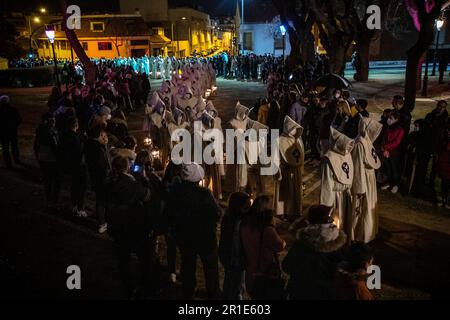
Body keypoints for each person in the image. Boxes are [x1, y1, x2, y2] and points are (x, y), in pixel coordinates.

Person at [167, 163, 222, 299]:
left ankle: (188, 291)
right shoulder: (204, 194)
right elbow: (217, 213)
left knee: (188, 266)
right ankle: (213, 293)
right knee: (210, 268)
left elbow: (170, 214)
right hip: (205, 237)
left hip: (185, 237)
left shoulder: (175, 192)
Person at [104, 156, 153, 298]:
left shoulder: (108, 182)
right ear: (127, 167)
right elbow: (147, 196)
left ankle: (128, 288)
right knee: (145, 258)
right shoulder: (131, 183)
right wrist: (143, 180)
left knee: (123, 260)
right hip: (133, 226)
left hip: (117, 227)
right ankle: (146, 288)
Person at [282, 205, 347, 300]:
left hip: (302, 292)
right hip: (328, 293)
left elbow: (287, 266)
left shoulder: (301, 244)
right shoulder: (338, 244)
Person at [240, 195, 286, 300]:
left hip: (250, 271)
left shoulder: (245, 225)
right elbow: (279, 246)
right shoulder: (267, 229)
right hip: (265, 272)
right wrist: (283, 242)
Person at [351, 117, 383, 243]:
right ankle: (360, 234)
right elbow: (357, 166)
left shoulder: (367, 142)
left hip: (370, 179)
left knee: (369, 206)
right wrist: (360, 189)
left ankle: (369, 231)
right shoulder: (359, 144)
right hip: (364, 180)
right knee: (362, 208)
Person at [320, 128, 354, 235]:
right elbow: (327, 184)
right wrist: (326, 207)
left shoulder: (347, 154)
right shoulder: (329, 158)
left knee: (345, 222)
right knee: (336, 223)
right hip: (335, 197)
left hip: (346, 195)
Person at [219, 192, 252, 300]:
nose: (248, 210)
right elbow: (232, 242)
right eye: (246, 207)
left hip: (232, 258)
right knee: (236, 283)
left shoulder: (231, 218)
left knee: (232, 281)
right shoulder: (235, 221)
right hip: (234, 258)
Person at [275, 116, 305, 220]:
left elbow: (301, 155)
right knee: (286, 193)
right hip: (285, 171)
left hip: (297, 171)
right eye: (293, 129)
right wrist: (277, 172)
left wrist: (302, 169)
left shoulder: (298, 139)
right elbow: (275, 158)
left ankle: (296, 211)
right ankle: (285, 212)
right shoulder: (280, 140)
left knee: (296, 192)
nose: (295, 132)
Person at [58, 117, 88, 217]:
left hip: (68, 165)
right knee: (80, 187)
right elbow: (78, 152)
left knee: (74, 186)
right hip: (78, 166)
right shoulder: (75, 138)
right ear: (76, 125)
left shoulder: (63, 135)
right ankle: (80, 208)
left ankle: (74, 205)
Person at [85, 125, 112, 233]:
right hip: (101, 179)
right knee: (102, 201)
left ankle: (100, 217)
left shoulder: (90, 144)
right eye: (104, 135)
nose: (106, 138)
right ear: (100, 136)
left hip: (95, 177)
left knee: (100, 199)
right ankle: (102, 223)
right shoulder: (98, 149)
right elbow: (104, 165)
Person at [34, 113, 61, 211]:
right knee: (54, 181)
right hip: (51, 160)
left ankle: (49, 200)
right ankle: (52, 201)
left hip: (43, 159)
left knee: (47, 180)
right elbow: (55, 147)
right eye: (53, 120)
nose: (54, 122)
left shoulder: (40, 131)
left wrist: (38, 156)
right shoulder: (50, 133)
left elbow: (36, 146)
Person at [381, 112, 404, 194]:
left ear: (396, 119)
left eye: (391, 118)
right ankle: (388, 182)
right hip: (386, 150)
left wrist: (387, 147)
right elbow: (385, 137)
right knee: (388, 167)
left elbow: (397, 142)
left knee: (394, 168)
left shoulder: (400, 129)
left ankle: (395, 185)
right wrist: (384, 147)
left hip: (394, 151)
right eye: (389, 118)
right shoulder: (389, 127)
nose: (389, 120)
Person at [0, 95, 22, 169]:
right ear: (8, 101)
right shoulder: (13, 109)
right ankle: (16, 159)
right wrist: (14, 126)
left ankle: (8, 164)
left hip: (3, 133)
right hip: (12, 132)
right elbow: (19, 120)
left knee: (5, 148)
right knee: (14, 146)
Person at [436, 118, 450, 209]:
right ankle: (444, 199)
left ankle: (448, 201)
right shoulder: (444, 137)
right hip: (444, 161)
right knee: (444, 181)